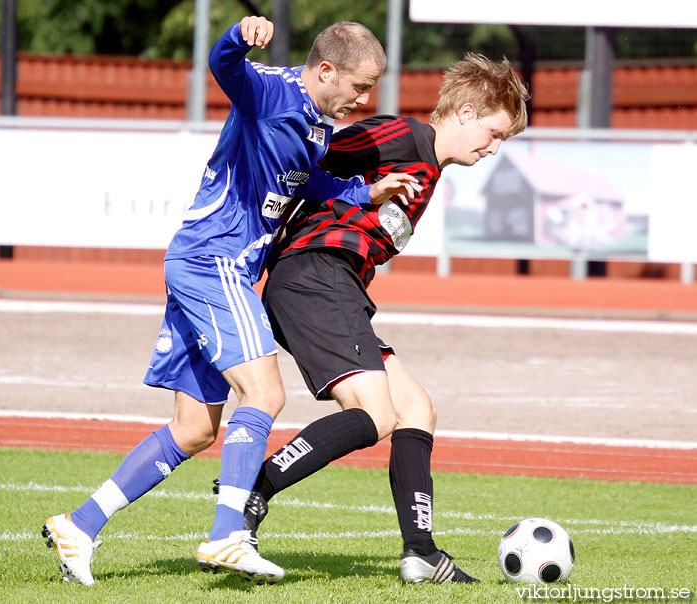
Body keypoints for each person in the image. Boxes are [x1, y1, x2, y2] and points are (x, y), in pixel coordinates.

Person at [41, 15, 416, 587]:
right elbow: (223, 67)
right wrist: (238, 36)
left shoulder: (314, 121)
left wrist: (365, 191)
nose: (364, 100)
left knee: (193, 429)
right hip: (214, 261)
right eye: (360, 87)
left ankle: (79, 525)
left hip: (208, 266)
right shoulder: (270, 91)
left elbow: (306, 183)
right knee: (263, 391)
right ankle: (227, 536)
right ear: (325, 70)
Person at [239, 52, 529, 584]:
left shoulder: (430, 166)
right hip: (315, 274)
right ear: (465, 112)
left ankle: (420, 553)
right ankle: (249, 491)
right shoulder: (401, 136)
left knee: (415, 408)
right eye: (493, 133)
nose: (493, 148)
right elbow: (310, 155)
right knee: (375, 415)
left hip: (334, 286)